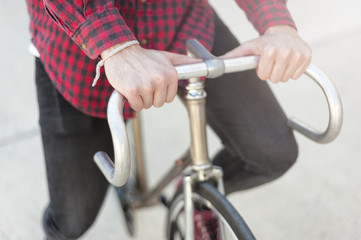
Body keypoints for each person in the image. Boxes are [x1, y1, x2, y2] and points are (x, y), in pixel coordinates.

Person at [26, 0, 311, 239]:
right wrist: (115, 46)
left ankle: (197, 201)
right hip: (78, 45)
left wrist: (276, 22)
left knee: (271, 151)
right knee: (73, 219)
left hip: (179, 19)